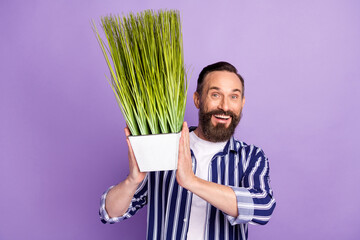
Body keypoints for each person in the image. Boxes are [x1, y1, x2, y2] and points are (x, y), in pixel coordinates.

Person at [99, 61, 276, 240]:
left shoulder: (251, 157)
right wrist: (132, 180)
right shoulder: (165, 147)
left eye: (234, 97)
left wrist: (191, 181)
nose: (225, 106)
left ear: (242, 103)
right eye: (215, 95)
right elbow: (110, 213)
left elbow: (263, 207)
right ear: (197, 99)